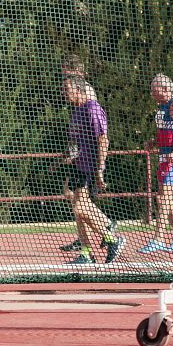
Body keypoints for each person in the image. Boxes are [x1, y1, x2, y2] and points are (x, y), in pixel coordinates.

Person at [62, 77, 125, 265]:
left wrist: (100, 168)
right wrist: (69, 154)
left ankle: (112, 236)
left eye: (67, 89)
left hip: (89, 166)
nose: (64, 93)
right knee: (77, 208)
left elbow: (103, 139)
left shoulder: (92, 109)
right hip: (77, 165)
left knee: (80, 207)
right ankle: (86, 253)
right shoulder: (75, 112)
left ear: (79, 90)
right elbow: (75, 142)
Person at [139, 74, 173, 253]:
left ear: (165, 89)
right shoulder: (162, 107)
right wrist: (154, 142)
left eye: (154, 88)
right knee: (165, 197)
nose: (151, 92)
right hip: (164, 154)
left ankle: (159, 239)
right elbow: (168, 132)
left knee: (163, 197)